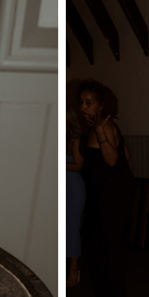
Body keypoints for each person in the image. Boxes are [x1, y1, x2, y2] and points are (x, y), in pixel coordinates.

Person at [78, 79, 135, 297]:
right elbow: (127, 155)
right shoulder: (109, 125)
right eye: (81, 102)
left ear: (102, 105)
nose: (83, 107)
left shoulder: (102, 127)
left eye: (88, 103)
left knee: (104, 254)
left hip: (107, 200)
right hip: (110, 197)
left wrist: (100, 132)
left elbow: (112, 160)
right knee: (108, 252)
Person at [66, 106, 86, 287]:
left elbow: (79, 165)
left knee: (72, 227)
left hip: (73, 187)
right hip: (62, 184)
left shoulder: (75, 139)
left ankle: (74, 270)